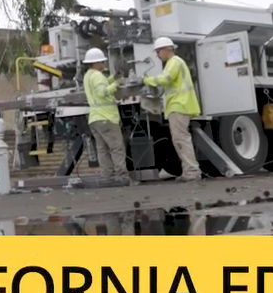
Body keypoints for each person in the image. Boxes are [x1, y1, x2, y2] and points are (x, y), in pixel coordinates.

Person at [144, 36, 202, 182]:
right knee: (179, 139)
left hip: (179, 105)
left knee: (181, 139)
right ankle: (189, 171)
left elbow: (164, 79)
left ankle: (192, 172)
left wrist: (144, 80)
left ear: (165, 50)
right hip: (179, 105)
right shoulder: (175, 62)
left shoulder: (174, 62)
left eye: (158, 52)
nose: (157, 55)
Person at [81, 47, 134, 185]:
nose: (104, 64)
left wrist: (112, 78)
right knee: (116, 148)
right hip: (107, 118)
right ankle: (122, 177)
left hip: (95, 119)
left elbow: (101, 85)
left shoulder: (89, 75)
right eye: (102, 62)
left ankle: (106, 177)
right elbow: (102, 92)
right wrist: (116, 84)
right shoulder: (97, 75)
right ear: (96, 62)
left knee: (103, 150)